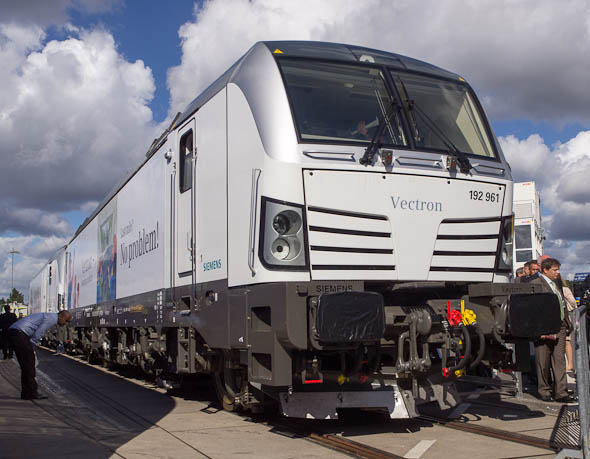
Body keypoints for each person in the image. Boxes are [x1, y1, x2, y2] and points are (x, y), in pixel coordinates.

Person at [530, 258, 574, 403]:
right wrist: (539, 330)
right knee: (543, 361)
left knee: (559, 360)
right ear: (545, 270)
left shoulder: (557, 283)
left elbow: (562, 303)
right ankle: (544, 391)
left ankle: (561, 392)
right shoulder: (535, 284)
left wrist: (567, 323)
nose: (558, 272)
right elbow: (533, 309)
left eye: (558, 269)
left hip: (560, 326)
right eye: (555, 270)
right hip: (544, 328)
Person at [7, 310, 72, 400]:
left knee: (25, 365)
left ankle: (26, 392)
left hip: (15, 332)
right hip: (19, 334)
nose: (66, 323)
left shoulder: (49, 316)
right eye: (66, 320)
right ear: (61, 316)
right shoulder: (52, 318)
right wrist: (32, 346)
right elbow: (39, 333)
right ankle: (32, 392)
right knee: (30, 363)